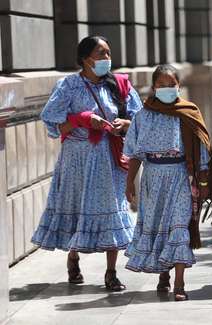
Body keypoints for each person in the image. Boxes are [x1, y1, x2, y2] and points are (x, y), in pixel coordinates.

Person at [31, 35, 143, 291]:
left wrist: (125, 124)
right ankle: (73, 258)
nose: (106, 59)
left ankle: (111, 272)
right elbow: (52, 121)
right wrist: (81, 119)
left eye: (108, 53)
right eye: (100, 53)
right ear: (85, 59)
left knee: (113, 210)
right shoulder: (68, 85)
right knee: (78, 209)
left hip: (109, 158)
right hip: (77, 159)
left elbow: (140, 119)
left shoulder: (119, 85)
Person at [124, 64, 212, 301]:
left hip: (181, 177)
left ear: (178, 86)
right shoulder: (142, 116)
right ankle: (163, 274)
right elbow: (135, 154)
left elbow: (202, 148)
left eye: (172, 85)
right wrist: (129, 183)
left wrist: (205, 182)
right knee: (159, 227)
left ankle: (179, 284)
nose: (167, 89)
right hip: (152, 179)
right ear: (153, 87)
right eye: (162, 85)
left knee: (179, 227)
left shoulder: (189, 112)